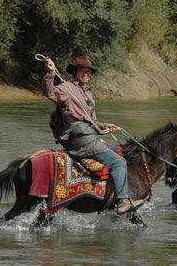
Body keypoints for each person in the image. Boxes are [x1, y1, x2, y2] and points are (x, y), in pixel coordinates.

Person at [42, 56, 143, 214]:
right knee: (118, 162)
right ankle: (122, 200)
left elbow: (92, 120)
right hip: (78, 136)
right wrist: (50, 73)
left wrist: (104, 126)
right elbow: (49, 94)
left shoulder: (88, 94)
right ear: (75, 72)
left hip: (89, 134)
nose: (86, 74)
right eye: (83, 70)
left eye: (89, 72)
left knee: (117, 151)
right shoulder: (66, 88)